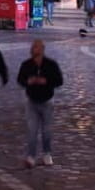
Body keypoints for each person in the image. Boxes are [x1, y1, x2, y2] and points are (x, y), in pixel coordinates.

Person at [17, 39, 64, 168]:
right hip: (31, 101)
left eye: (37, 47)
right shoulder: (26, 64)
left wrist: (46, 81)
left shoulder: (51, 64)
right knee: (32, 130)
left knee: (46, 130)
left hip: (47, 100)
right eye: (33, 47)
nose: (34, 49)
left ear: (42, 49)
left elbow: (59, 81)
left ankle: (47, 154)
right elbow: (20, 80)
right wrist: (28, 82)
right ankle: (31, 156)